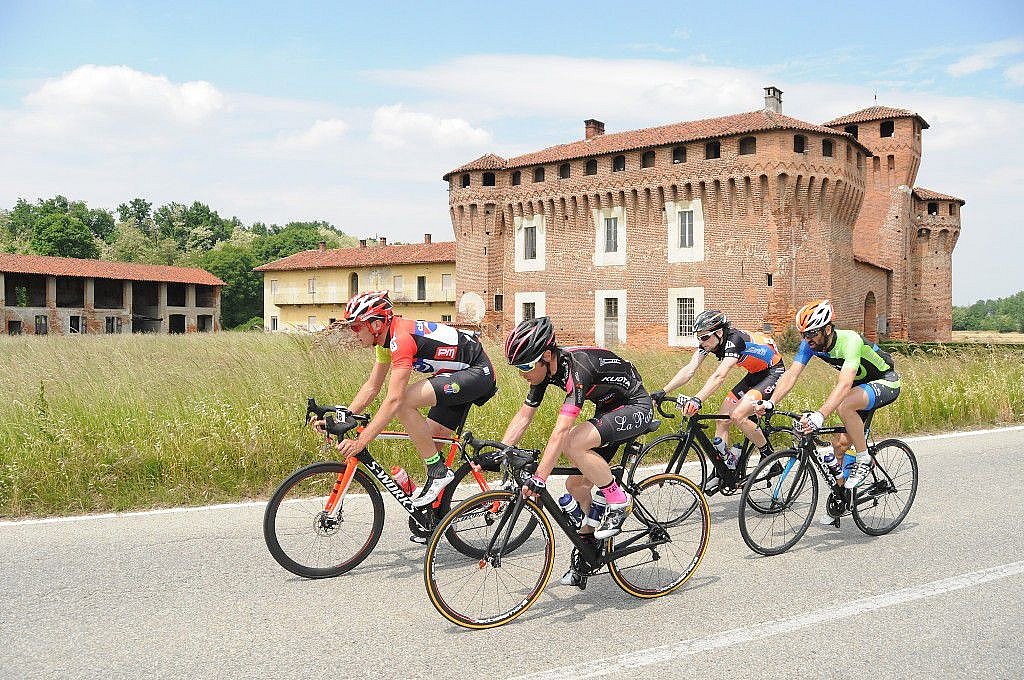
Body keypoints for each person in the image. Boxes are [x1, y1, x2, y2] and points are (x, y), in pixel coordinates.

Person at [500, 316, 654, 587]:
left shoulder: (578, 370)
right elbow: (524, 417)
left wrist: (540, 478)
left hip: (635, 405)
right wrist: (503, 452)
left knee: (573, 441)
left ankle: (618, 500)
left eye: (525, 365)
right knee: (575, 485)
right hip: (610, 409)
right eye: (517, 367)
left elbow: (560, 433)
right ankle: (589, 550)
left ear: (546, 355)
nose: (522, 373)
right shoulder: (545, 370)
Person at [334, 290, 497, 508]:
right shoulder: (385, 343)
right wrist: (343, 418)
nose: (354, 333)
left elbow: (394, 400)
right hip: (455, 375)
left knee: (403, 402)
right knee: (429, 442)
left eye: (356, 326)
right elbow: (372, 387)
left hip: (477, 372)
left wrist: (361, 442)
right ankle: (435, 516)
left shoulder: (400, 339)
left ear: (375, 325)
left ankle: (437, 473)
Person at [754, 299, 901, 524]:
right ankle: (842, 499)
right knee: (838, 446)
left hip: (885, 381)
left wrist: (820, 415)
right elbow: (791, 375)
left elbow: (844, 384)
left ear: (828, 329)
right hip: (859, 389)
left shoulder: (849, 340)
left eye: (812, 333)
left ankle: (864, 458)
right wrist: (771, 402)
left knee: (845, 405)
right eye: (804, 334)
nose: (807, 339)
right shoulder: (810, 345)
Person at [653, 310, 784, 492]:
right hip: (754, 375)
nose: (701, 342)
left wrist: (698, 399)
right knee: (722, 419)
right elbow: (690, 369)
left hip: (773, 372)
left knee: (738, 415)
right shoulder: (710, 344)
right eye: (698, 338)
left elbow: (720, 376)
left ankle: (769, 457)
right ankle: (723, 470)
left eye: (705, 337)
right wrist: (663, 391)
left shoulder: (734, 340)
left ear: (719, 332)